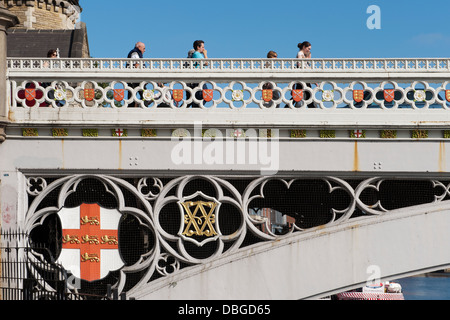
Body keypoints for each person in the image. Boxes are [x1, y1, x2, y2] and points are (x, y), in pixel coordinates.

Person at [188, 40, 209, 108]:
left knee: (199, 96)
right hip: (198, 78)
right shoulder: (197, 54)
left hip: (198, 78)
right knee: (205, 94)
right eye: (202, 47)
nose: (204, 49)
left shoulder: (197, 54)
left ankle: (196, 107)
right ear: (198, 47)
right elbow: (206, 63)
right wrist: (205, 54)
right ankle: (197, 107)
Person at [294, 41, 316, 108]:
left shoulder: (302, 54)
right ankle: (313, 109)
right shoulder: (300, 53)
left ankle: (290, 107)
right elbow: (299, 64)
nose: (309, 50)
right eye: (308, 48)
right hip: (302, 78)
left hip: (303, 78)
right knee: (306, 95)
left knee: (299, 95)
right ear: (304, 47)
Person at [127, 42, 146, 107]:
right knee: (144, 94)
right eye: (144, 48)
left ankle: (131, 107)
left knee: (132, 94)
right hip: (136, 78)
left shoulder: (135, 52)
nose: (144, 50)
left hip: (133, 78)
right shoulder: (135, 53)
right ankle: (144, 107)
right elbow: (136, 65)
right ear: (139, 47)